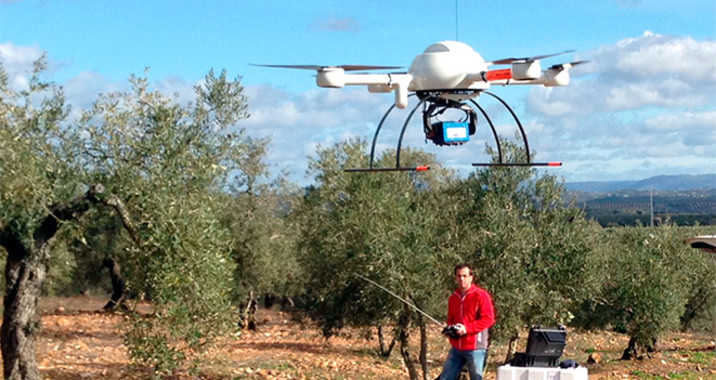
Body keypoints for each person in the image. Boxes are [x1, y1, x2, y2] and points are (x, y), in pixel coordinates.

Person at [439, 263, 495, 380]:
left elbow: (488, 319)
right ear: (455, 278)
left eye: (464, 276)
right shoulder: (453, 297)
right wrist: (450, 330)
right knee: (446, 377)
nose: (462, 279)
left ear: (471, 277)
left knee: (476, 378)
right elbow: (451, 319)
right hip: (457, 347)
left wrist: (467, 329)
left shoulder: (481, 295)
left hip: (476, 347)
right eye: (459, 276)